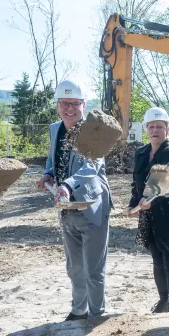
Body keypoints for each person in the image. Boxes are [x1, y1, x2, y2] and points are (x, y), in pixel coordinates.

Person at [36, 79, 113, 321]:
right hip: (66, 205)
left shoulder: (95, 130)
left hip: (92, 205)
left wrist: (68, 184)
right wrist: (49, 174)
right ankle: (79, 310)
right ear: (57, 104)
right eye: (64, 103)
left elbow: (92, 166)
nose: (69, 109)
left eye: (74, 103)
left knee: (93, 267)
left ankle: (97, 313)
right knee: (74, 265)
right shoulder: (55, 129)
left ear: (84, 104)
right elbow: (53, 158)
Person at [126, 107, 169, 313]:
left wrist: (150, 201)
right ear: (146, 129)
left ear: (167, 129)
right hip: (151, 215)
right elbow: (137, 184)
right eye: (151, 127)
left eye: (159, 126)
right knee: (157, 260)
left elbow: (168, 183)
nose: (155, 130)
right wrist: (133, 204)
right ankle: (163, 300)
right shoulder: (141, 153)